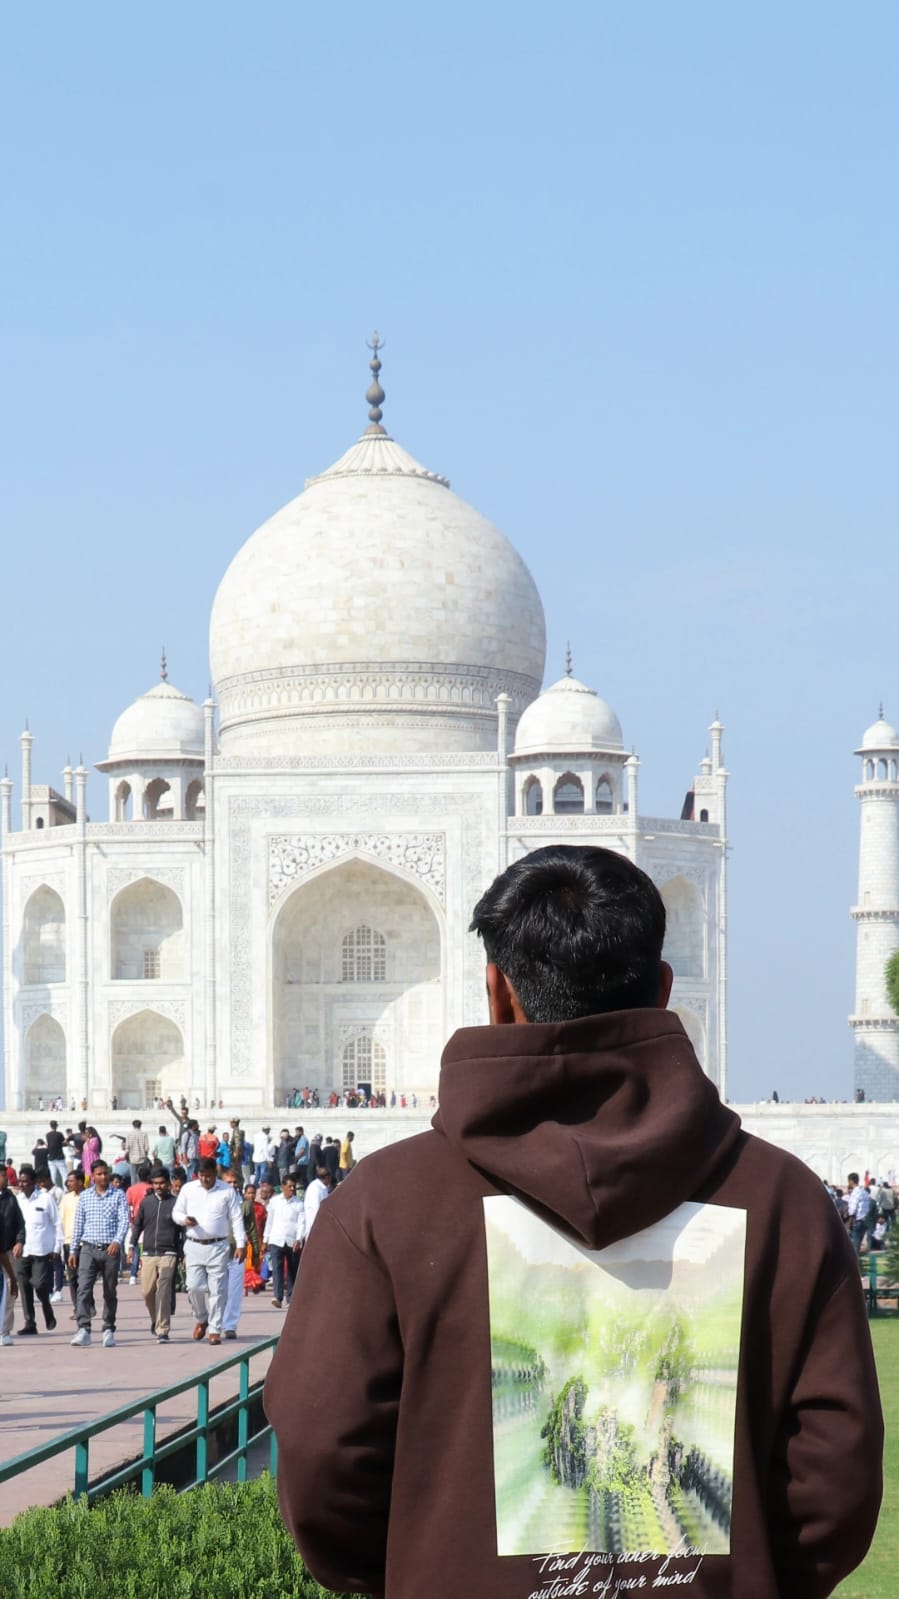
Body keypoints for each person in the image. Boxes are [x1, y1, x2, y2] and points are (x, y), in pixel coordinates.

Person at [265, 844, 883, 1599]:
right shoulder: (780, 1200)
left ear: (496, 991)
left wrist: (429, 1562)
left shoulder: (386, 1204)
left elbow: (323, 1452)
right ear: (661, 989)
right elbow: (834, 1477)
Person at [171, 1156, 246, 1345]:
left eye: (210, 1176)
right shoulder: (188, 1189)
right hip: (194, 1244)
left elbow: (236, 1218)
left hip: (218, 1246)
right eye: (202, 1176)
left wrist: (241, 1244)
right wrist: (184, 1219)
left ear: (215, 1175)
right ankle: (201, 1317)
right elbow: (176, 1212)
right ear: (198, 1175)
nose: (206, 1180)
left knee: (218, 1289)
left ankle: (214, 1329)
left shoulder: (226, 1191)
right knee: (193, 1286)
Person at [70, 1158, 131, 1347]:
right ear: (92, 1176)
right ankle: (84, 1328)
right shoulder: (85, 1197)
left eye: (105, 1173)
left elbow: (124, 1220)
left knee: (110, 1291)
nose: (103, 1177)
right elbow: (78, 1224)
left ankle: (108, 1328)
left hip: (110, 1249)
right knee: (83, 1289)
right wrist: (73, 1250)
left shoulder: (118, 1195)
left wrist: (117, 1241)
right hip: (88, 1247)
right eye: (99, 1174)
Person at [129, 1168, 183, 1343]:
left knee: (164, 1291)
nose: (159, 1186)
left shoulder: (176, 1203)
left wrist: (183, 1254)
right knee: (147, 1291)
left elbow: (183, 1231)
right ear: (152, 1184)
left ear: (168, 1184)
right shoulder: (146, 1203)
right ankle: (155, 1320)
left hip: (169, 1252)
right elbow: (138, 1225)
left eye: (162, 1183)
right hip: (149, 1252)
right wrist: (131, 1245)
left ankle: (163, 1330)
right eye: (156, 1183)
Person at [14, 1163, 63, 1336]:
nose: (22, 1185)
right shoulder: (17, 1200)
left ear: (34, 1182)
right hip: (21, 1251)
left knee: (40, 1284)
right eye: (20, 1181)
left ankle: (47, 1308)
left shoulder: (45, 1198)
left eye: (25, 1182)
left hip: (42, 1250)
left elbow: (57, 1223)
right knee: (24, 1286)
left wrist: (57, 1247)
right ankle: (30, 1322)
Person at [264, 1175, 304, 1308]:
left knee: (292, 1270)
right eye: (289, 1186)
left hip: (292, 1240)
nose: (292, 1189)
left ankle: (291, 1298)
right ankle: (278, 1296)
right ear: (283, 1187)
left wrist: (299, 1239)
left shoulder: (299, 1203)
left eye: (294, 1186)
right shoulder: (275, 1202)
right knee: (277, 1268)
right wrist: (265, 1239)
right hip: (276, 1239)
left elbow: (301, 1223)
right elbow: (269, 1221)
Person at [0, 1162, 25, 1345]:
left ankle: (4, 1331)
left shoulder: (10, 1197)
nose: (5, 1180)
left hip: (8, 1250)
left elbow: (20, 1223)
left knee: (10, 1290)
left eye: (6, 1177)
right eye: (3, 1177)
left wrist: (19, 1241)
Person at [302, 1163, 332, 1236]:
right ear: (327, 1177)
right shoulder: (316, 1189)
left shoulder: (322, 1188)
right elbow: (316, 1210)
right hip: (315, 1228)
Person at [124, 1120, 149, 1186]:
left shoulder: (129, 1134)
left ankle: (134, 1190)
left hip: (132, 1158)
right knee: (141, 1176)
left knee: (133, 1177)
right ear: (140, 1125)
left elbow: (127, 1147)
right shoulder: (144, 1134)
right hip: (142, 1158)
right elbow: (146, 1147)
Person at [45, 1121, 67, 1189]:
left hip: (51, 1157)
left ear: (50, 1126)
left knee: (53, 1176)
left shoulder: (47, 1135)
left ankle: (53, 1190)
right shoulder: (59, 1134)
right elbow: (64, 1143)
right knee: (64, 1175)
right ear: (56, 1126)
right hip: (59, 1157)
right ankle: (66, 1190)